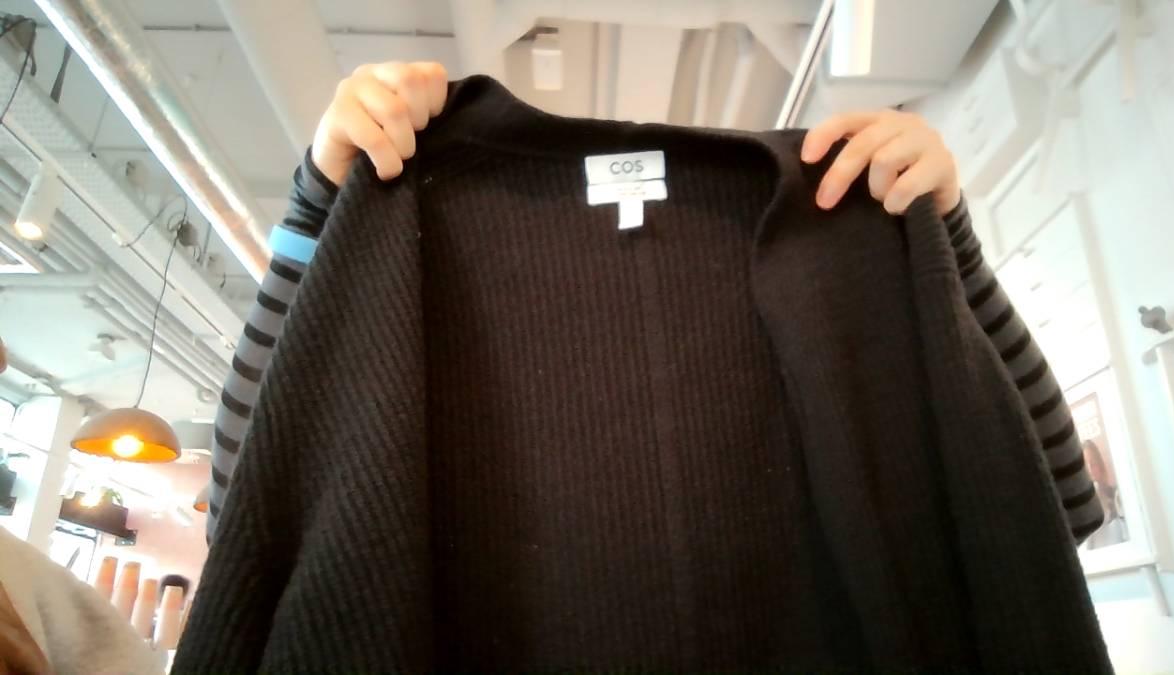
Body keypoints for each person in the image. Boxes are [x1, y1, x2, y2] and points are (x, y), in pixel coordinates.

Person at [204, 61, 1103, 546]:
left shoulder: (849, 224)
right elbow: (248, 509)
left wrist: (944, 246)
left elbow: (1058, 489)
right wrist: (321, 212)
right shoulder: (413, 236)